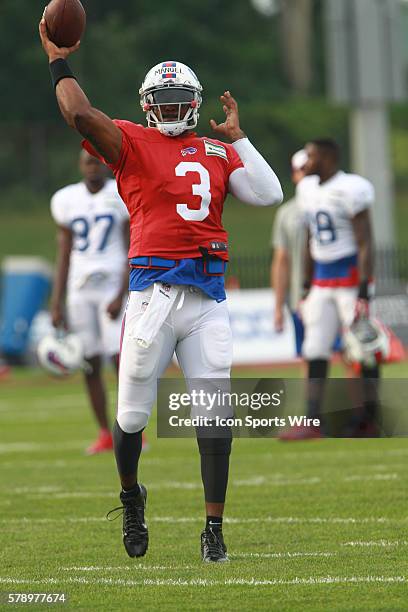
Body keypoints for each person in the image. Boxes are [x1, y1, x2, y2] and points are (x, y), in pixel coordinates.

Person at [39, 21, 283, 562]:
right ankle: (131, 496)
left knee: (214, 417)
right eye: (164, 101)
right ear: (148, 105)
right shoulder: (129, 141)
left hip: (207, 300)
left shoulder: (219, 154)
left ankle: (213, 528)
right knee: (131, 419)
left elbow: (269, 193)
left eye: (180, 101)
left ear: (193, 103)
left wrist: (239, 138)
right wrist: (58, 60)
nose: (172, 110)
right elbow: (79, 113)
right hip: (151, 297)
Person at [281, 138, 379, 440]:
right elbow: (311, 239)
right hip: (322, 280)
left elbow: (365, 241)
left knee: (363, 350)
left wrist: (363, 287)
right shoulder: (306, 189)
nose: (305, 162)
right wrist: (306, 284)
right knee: (314, 349)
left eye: (310, 156)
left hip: (349, 278)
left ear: (326, 158)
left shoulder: (351, 188)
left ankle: (369, 420)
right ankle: (312, 421)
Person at [50, 150, 131, 455]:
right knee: (90, 362)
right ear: (80, 165)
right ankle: (104, 432)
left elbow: (131, 245)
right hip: (80, 289)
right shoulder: (66, 199)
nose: (92, 167)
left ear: (104, 164)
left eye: (97, 161)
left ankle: (130, 427)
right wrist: (56, 302)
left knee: (120, 360)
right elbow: (64, 252)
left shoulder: (119, 193)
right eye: (87, 161)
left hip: (111, 284)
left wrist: (121, 293)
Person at [271, 149, 307, 350]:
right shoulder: (287, 213)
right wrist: (278, 306)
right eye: (302, 169)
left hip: (333, 289)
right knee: (307, 354)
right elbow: (281, 260)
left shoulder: (336, 205)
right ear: (294, 174)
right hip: (299, 298)